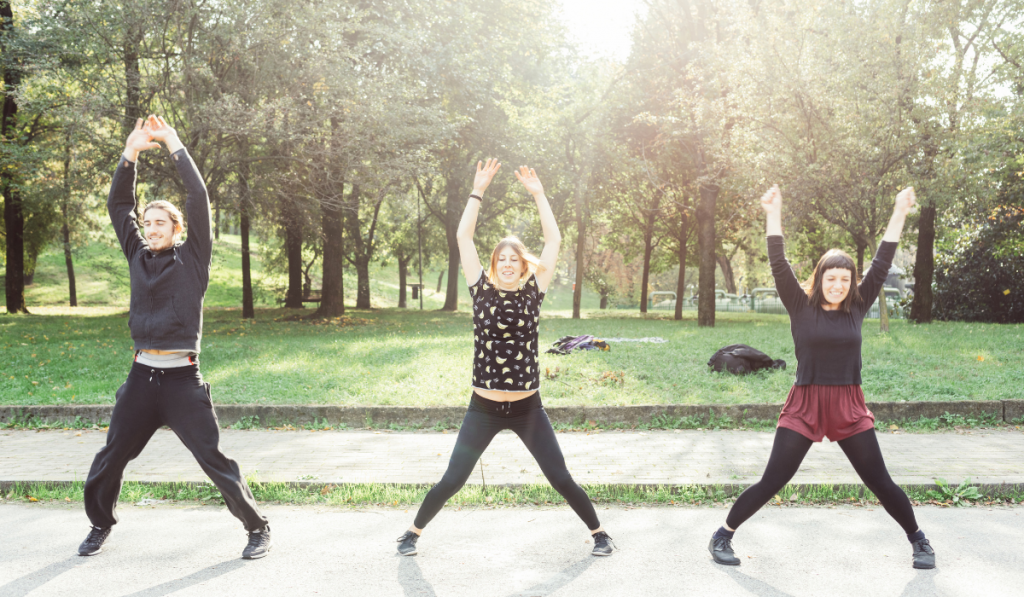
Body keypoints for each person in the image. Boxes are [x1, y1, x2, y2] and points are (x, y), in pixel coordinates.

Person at [708, 184, 935, 570]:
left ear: (851, 283)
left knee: (880, 481)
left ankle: (920, 541)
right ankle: (723, 535)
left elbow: (882, 260)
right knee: (772, 480)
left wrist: (899, 211)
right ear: (820, 278)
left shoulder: (857, 306)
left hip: (848, 405)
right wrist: (772, 213)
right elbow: (778, 262)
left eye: (845, 279)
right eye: (831, 278)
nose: (838, 285)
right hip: (805, 405)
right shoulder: (800, 305)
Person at [396, 160, 615, 557]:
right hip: (483, 409)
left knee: (560, 477)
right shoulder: (480, 290)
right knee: (453, 479)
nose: (509, 264)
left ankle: (600, 533)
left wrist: (539, 195)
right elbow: (464, 236)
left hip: (528, 409)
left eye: (516, 259)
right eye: (502, 260)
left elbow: (554, 240)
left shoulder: (534, 290)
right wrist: (477, 190)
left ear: (523, 264)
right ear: (494, 265)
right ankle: (412, 532)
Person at [77, 116, 271, 559]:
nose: (151, 227)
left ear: (177, 228)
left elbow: (198, 196)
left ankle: (257, 528)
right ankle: (99, 523)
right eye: (147, 221)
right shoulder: (137, 255)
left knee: (213, 461)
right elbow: (118, 203)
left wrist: (173, 144)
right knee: (110, 459)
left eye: (160, 221)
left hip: (183, 381)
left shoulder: (193, 257)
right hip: (142, 377)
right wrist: (130, 153)